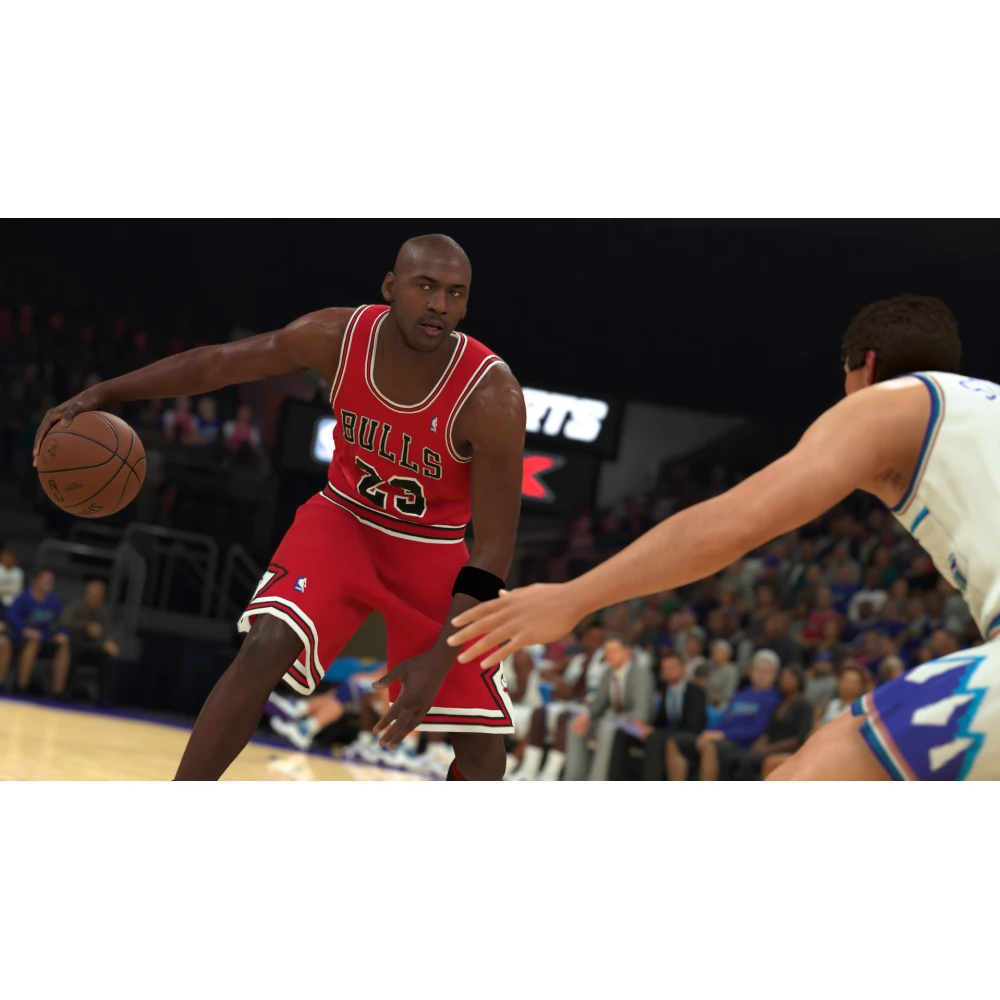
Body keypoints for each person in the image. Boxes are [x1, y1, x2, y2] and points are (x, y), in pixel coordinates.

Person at [37, 235, 526, 781]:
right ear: (390, 287)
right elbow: (217, 365)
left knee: (483, 750)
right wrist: (105, 393)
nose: (439, 304)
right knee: (264, 645)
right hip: (345, 518)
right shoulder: (336, 337)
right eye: (426, 287)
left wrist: (438, 660)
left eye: (455, 293)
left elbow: (494, 547)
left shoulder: (492, 396)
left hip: (431, 548)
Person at [450, 295, 997, 780]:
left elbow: (732, 523)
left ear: (865, 367)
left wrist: (573, 598)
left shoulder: (891, 402)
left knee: (815, 772)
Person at [664, 650, 780, 781]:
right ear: (751, 671)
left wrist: (722, 735)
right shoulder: (740, 694)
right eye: (758, 670)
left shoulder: (773, 698)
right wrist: (708, 732)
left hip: (742, 743)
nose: (761, 675)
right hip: (722, 737)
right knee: (675, 741)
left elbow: (756, 730)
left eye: (767, 672)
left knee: (710, 747)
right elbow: (725, 719)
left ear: (774, 675)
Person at [562, 635, 655, 780]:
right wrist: (586, 716)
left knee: (606, 728)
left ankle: (597, 780)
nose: (608, 655)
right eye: (606, 651)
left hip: (634, 725)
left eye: (613, 651)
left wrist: (612, 719)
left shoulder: (641, 674)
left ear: (626, 651)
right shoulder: (608, 673)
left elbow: (641, 713)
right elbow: (597, 706)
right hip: (612, 720)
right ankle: (573, 778)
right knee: (575, 724)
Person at [607, 650, 707, 780]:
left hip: (685, 734)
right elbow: (660, 720)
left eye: (672, 668)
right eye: (665, 669)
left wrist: (656, 731)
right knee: (622, 733)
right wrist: (644, 727)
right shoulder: (665, 690)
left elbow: (693, 725)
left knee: (654, 738)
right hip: (662, 733)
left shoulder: (696, 692)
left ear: (683, 669)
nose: (668, 672)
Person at [729, 665, 814, 780]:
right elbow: (769, 731)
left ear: (798, 680)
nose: (785, 680)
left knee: (748, 761)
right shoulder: (779, 703)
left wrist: (768, 749)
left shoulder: (804, 705)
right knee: (738, 757)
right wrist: (759, 743)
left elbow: (798, 739)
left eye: (789, 677)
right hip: (771, 747)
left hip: (789, 749)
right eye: (783, 677)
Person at [0, 570, 71, 694]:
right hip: (21, 639)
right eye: (46, 581)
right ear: (36, 581)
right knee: (33, 643)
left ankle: (57, 691)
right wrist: (24, 629)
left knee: (64, 647)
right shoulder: (23, 598)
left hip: (46, 639)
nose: (49, 584)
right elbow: (11, 616)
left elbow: (65, 621)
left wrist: (63, 633)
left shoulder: (54, 602)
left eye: (51, 582)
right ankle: (21, 686)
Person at [58, 579, 121, 704]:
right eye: (92, 594)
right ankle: (66, 691)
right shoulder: (76, 605)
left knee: (109, 657)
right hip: (76, 644)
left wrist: (110, 642)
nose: (95, 597)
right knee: (70, 652)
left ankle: (103, 697)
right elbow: (64, 621)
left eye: (98, 595)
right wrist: (86, 626)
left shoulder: (105, 612)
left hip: (96, 647)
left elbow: (110, 632)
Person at [0, 547, 25, 612]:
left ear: (15, 559)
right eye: (6, 557)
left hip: (14, 601)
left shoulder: (18, 572)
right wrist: (9, 590)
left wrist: (3, 591)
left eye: (11, 557)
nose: (8, 560)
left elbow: (18, 591)